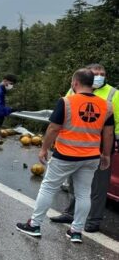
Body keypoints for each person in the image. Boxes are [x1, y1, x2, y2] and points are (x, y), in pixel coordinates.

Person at [16, 69, 113, 243]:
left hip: (66, 155)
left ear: (75, 83)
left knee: (48, 188)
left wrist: (44, 149)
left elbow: (53, 128)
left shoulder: (67, 102)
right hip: (91, 156)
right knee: (84, 194)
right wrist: (106, 154)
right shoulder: (106, 106)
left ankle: (35, 225)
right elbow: (108, 134)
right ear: (92, 84)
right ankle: (76, 231)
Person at [50, 63, 119, 232]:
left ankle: (93, 220)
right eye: (95, 73)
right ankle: (71, 213)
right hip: (77, 143)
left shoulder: (114, 94)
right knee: (77, 182)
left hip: (102, 143)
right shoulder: (75, 89)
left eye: (102, 73)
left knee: (98, 186)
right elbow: (66, 111)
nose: (99, 76)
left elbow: (115, 124)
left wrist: (111, 145)